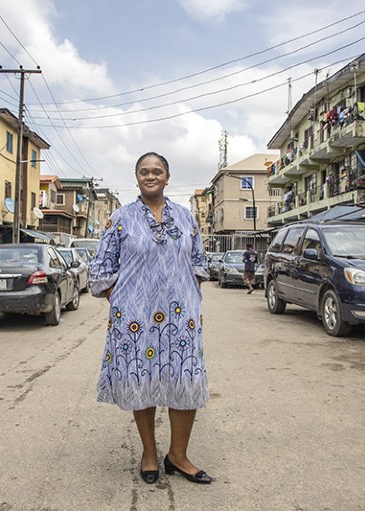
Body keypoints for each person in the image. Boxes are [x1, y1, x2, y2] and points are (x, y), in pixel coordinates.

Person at [88, 152, 212, 485]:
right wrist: (121, 300)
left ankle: (178, 456)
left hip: (180, 320)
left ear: (167, 177)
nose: (151, 176)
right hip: (135, 321)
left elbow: (200, 264)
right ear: (137, 177)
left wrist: (186, 296)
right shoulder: (121, 218)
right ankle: (149, 453)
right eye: (144, 171)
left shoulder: (186, 218)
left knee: (185, 382)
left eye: (157, 171)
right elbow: (100, 269)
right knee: (141, 382)